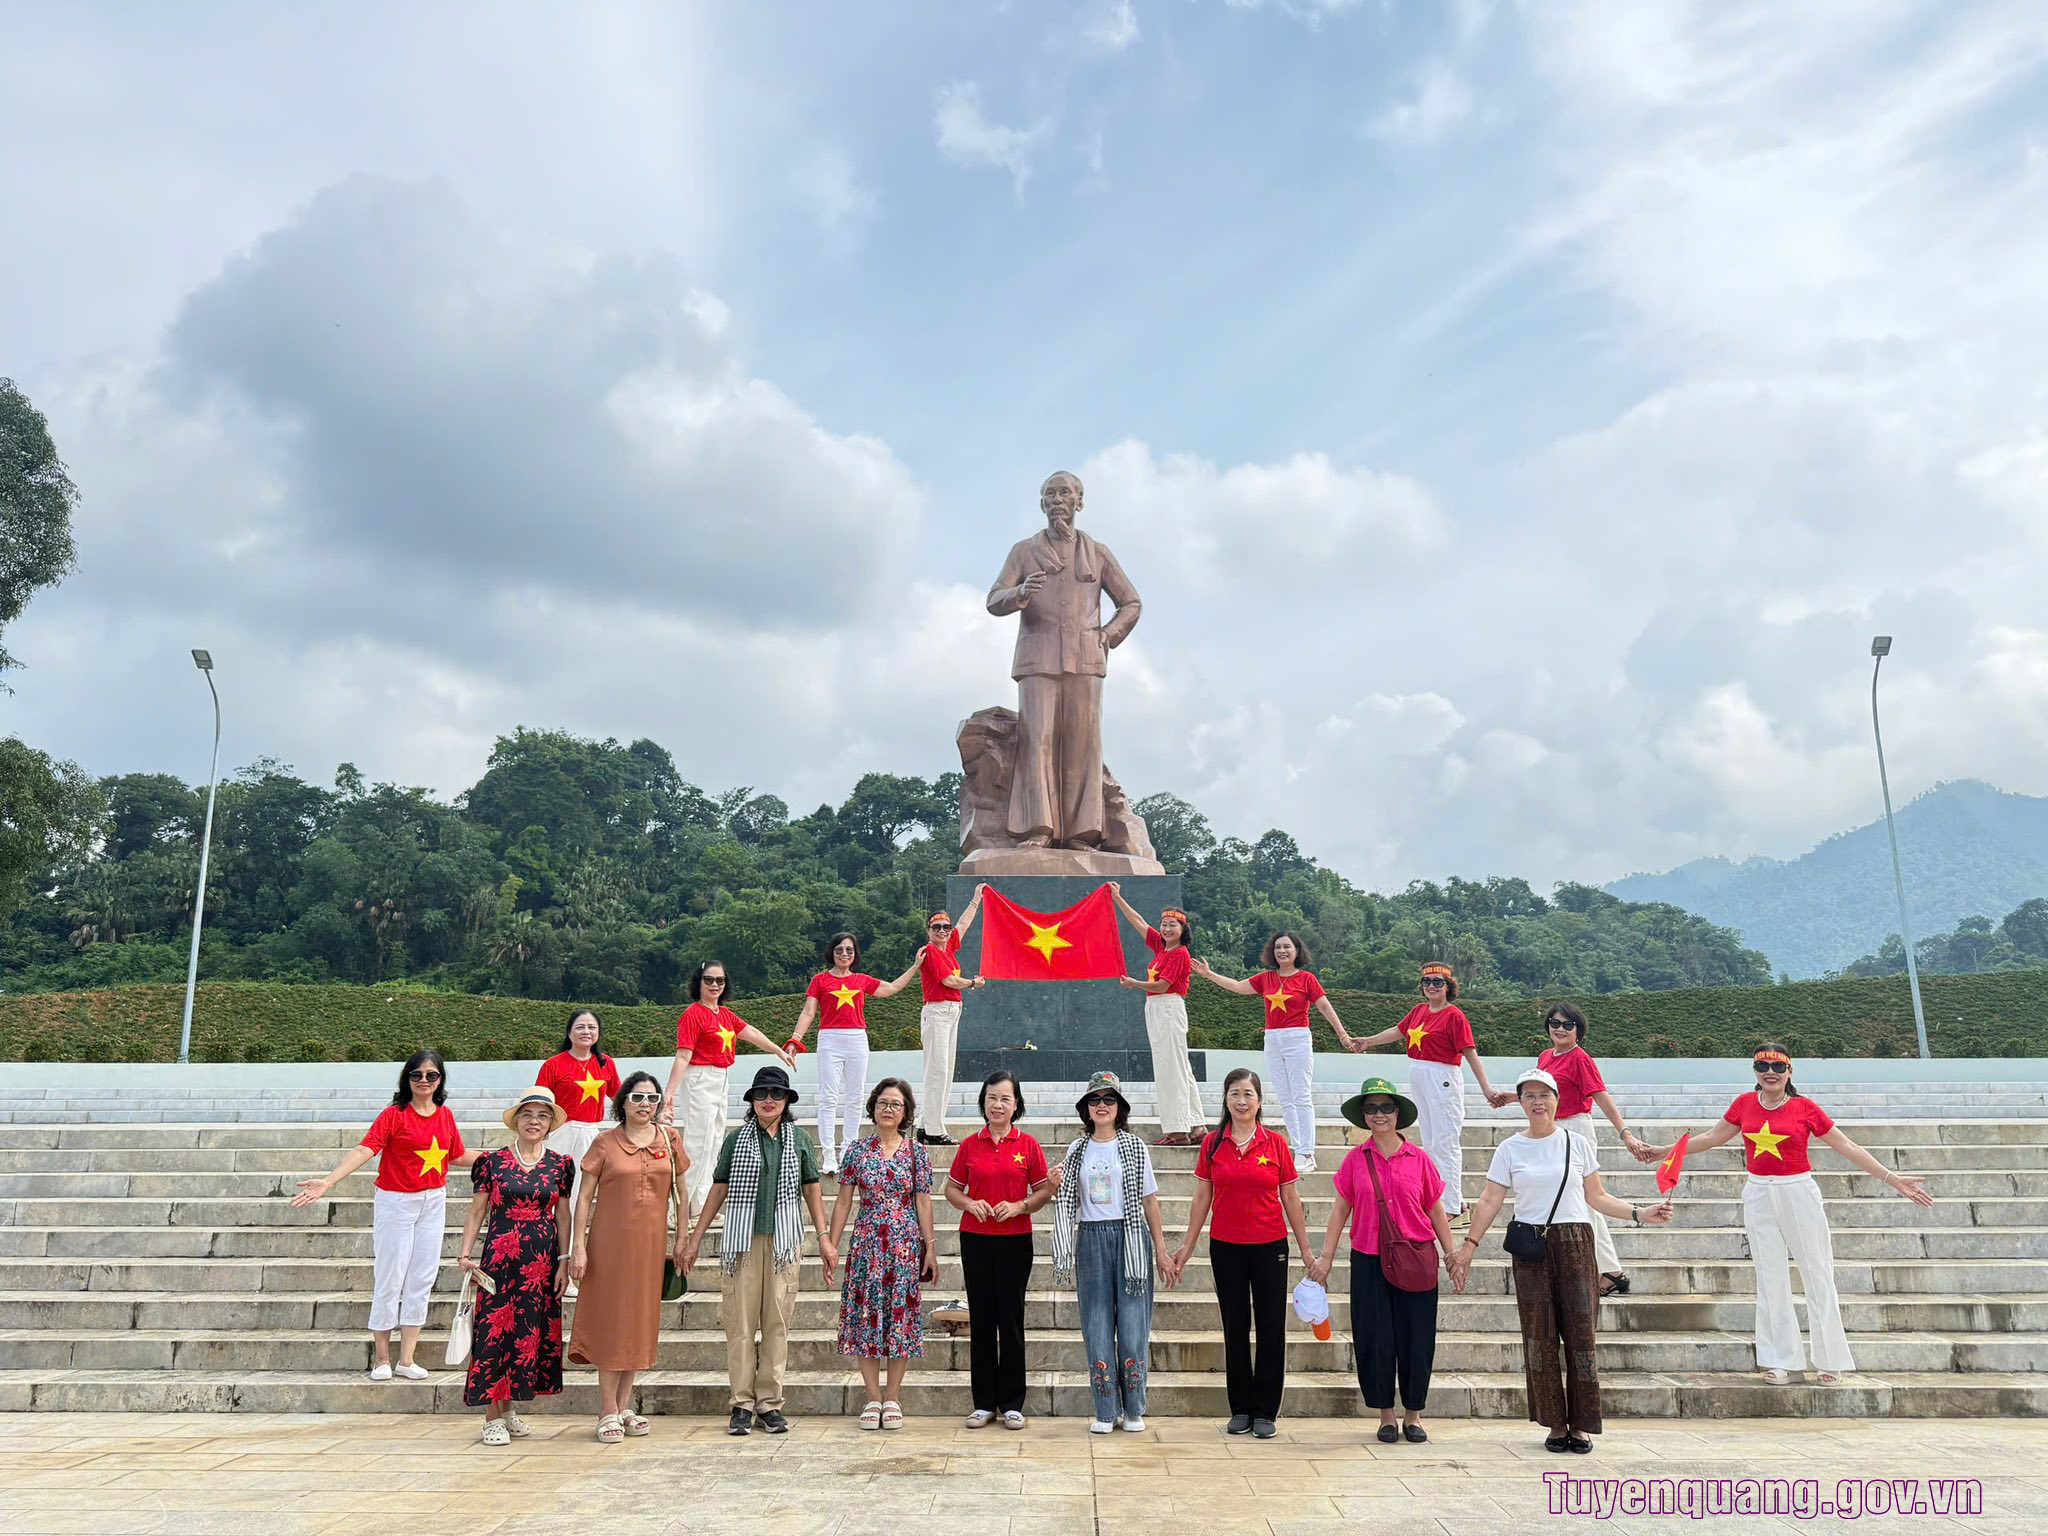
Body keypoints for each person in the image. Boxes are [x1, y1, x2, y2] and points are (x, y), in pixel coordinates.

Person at [1635, 1044, 1932, 1384]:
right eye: (1762, 1065)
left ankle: (1828, 1360)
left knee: (1817, 1272)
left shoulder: (1804, 1108)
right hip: (1759, 1192)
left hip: (1798, 1191)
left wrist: (1892, 1179)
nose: (1770, 1072)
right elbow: (1712, 1137)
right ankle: (1782, 1361)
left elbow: (1846, 1146)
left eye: (1777, 1067)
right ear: (1755, 1071)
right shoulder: (1744, 1104)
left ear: (1789, 1072)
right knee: (1770, 1276)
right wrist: (1665, 1152)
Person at [1453, 1068, 1673, 1453]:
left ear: (1557, 1100)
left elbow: (1597, 1197)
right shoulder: (1510, 1149)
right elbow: (1490, 1200)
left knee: (1581, 1335)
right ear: (1520, 1103)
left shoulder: (1576, 1143)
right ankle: (1555, 1422)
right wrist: (1469, 1246)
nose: (1538, 1102)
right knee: (1539, 1336)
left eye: (1545, 1095)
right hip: (1531, 1246)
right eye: (1530, 1096)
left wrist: (1640, 1212)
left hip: (1574, 1241)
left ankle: (1583, 1423)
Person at [292, 1049, 477, 1381]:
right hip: (396, 1201)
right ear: (407, 1079)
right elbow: (366, 1148)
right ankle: (381, 1358)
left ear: (440, 1080)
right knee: (391, 1277)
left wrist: (507, 1157)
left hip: (433, 1201)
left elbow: (457, 1155)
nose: (424, 1081)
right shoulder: (395, 1115)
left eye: (431, 1075)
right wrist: (329, 1181)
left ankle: (407, 1358)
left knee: (422, 1278)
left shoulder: (444, 1115)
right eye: (417, 1075)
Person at [983, 469, 1143, 849]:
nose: (1057, 500)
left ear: (1079, 501)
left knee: (1083, 744)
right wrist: (1019, 592)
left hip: (1086, 658)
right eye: (1050, 494)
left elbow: (1131, 603)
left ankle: (1082, 832)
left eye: (1064, 493)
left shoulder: (1098, 553)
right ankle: (1038, 828)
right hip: (1037, 657)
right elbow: (993, 599)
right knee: (1036, 740)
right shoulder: (1024, 551)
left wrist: (1108, 635)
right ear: (1041, 504)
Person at [679, 1064, 837, 1437]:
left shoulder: (798, 1139)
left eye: (776, 1094)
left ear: (786, 1101)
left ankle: (769, 1403)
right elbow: (718, 1189)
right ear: (751, 1100)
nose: (769, 1100)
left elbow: (812, 1189)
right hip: (741, 1242)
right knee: (741, 1325)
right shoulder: (736, 1139)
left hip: (784, 1242)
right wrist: (695, 1237)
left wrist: (824, 1237)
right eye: (762, 1094)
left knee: (777, 1324)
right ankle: (741, 1404)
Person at [1310, 1076, 1461, 1445]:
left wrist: (1452, 1253)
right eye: (1372, 1109)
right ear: (1364, 1116)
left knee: (1417, 1338)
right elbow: (1340, 1209)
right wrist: (1325, 1258)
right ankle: (1386, 1415)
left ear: (1398, 1113)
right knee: (1375, 1339)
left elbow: (1436, 1210)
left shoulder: (1419, 1158)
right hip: (1369, 1258)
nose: (1380, 1115)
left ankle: (1414, 1413)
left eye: (1387, 1107)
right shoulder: (1355, 1159)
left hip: (1416, 1257)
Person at [1170, 1068, 1316, 1438]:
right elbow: (1203, 1196)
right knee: (1234, 1326)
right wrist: (1186, 1247)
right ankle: (1240, 1408)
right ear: (1225, 1099)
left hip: (1269, 1247)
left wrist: (1307, 1251)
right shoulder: (1213, 1144)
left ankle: (1265, 1410)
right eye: (1234, 1093)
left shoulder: (1276, 1143)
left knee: (1270, 1327)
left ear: (1260, 1100)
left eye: (1248, 1094)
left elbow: (1291, 1198)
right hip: (1227, 1246)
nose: (1241, 1100)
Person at [1050, 1071, 1175, 1434]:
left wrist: (1162, 1251)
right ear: (1085, 1109)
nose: (1101, 1106)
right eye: (1095, 1100)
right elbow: (1068, 1199)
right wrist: (1054, 1185)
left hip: (1131, 1237)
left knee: (1134, 1323)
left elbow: (1150, 1201)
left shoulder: (1136, 1147)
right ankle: (1106, 1409)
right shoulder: (1077, 1150)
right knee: (1097, 1323)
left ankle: (1134, 1408)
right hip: (1092, 1238)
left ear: (1119, 1107)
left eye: (1108, 1100)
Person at [567, 1071, 683, 1444]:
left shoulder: (669, 1138)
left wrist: (683, 1238)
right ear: (623, 1102)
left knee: (639, 1322)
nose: (644, 1105)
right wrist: (579, 1246)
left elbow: (682, 1192)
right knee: (611, 1321)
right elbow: (583, 1197)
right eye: (637, 1098)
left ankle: (623, 1404)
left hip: (651, 1246)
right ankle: (606, 1408)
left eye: (651, 1098)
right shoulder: (605, 1142)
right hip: (609, 1245)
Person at [457, 1088, 574, 1444]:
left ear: (550, 1123)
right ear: (516, 1121)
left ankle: (508, 1410)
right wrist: (465, 1254)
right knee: (495, 1331)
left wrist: (564, 1261)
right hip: (499, 1259)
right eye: (527, 1115)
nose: (534, 1121)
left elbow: (564, 1215)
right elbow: (477, 1210)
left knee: (525, 1333)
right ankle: (491, 1415)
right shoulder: (491, 1163)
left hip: (541, 1262)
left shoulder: (560, 1164)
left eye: (541, 1115)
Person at [1356, 962, 1511, 1224]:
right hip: (1419, 1074)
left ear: (1448, 987)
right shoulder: (1419, 1011)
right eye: (1427, 982)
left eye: (1438, 982)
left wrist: (1486, 1088)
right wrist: (1368, 1041)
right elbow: (1398, 1031)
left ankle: (1452, 1205)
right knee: (1429, 1141)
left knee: (1445, 1141)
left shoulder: (1454, 1016)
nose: (1431, 987)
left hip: (1443, 1078)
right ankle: (1439, 1198)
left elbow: (1470, 1053)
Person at [1192, 933, 1360, 1172]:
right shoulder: (1267, 978)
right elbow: (1238, 987)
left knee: (1301, 1095)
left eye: (1287, 947)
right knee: (1286, 1098)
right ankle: (1297, 1149)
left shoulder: (1306, 979)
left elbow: (1323, 1005)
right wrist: (1209, 975)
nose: (1282, 951)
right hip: (1272, 1038)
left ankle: (1307, 1152)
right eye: (1278, 947)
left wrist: (1342, 1034)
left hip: (1298, 1037)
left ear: (1297, 951)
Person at [943, 1071, 1052, 1428]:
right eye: (992, 1098)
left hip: (1015, 1240)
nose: (998, 1105)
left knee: (1011, 1318)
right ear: (983, 1101)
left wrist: (1020, 1206)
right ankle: (984, 1401)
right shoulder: (969, 1145)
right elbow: (951, 1189)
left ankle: (1012, 1401)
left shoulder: (1028, 1145)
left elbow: (1042, 1191)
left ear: (1016, 1104)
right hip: (975, 1239)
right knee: (982, 1318)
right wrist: (970, 1203)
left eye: (1005, 1099)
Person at [829, 1078, 939, 1429]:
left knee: (900, 1317)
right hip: (867, 1243)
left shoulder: (916, 1152)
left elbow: (922, 1200)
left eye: (896, 1104)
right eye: (882, 1102)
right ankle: (872, 1397)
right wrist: (830, 1243)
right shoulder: (858, 1150)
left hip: (905, 1244)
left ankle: (892, 1397)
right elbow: (844, 1200)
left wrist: (930, 1248)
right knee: (866, 1317)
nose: (888, 1109)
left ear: (906, 1112)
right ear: (873, 1107)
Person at [1537, 1002, 1654, 1297]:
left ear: (1578, 1030)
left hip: (1575, 1130)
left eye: (1567, 1024)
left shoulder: (1580, 1058)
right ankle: (1609, 1270)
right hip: (1551, 1131)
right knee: (1582, 1201)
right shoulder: (1545, 1057)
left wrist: (1625, 1133)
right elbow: (1542, 1095)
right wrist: (1511, 1096)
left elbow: (1601, 1096)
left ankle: (1608, 1271)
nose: (1559, 1028)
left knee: (1587, 1199)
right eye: (1554, 1022)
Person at [662, 961, 793, 1218]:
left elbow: (750, 1032)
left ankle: (699, 1205)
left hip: (721, 1077)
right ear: (698, 982)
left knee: (713, 1144)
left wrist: (777, 1049)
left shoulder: (724, 1014)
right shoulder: (693, 1013)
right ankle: (677, 1210)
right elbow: (682, 1055)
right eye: (709, 980)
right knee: (697, 1144)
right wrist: (669, 1093)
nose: (714, 985)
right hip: (699, 1077)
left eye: (719, 981)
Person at [787, 933, 921, 1174]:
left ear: (855, 953)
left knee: (854, 1097)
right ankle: (828, 1154)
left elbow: (891, 989)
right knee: (828, 1097)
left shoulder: (861, 979)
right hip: (830, 1039)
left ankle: (848, 1152)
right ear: (832, 952)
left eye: (849, 950)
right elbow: (808, 1013)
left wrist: (915, 966)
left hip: (857, 1038)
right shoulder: (819, 980)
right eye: (839, 950)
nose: (844, 954)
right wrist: (796, 1038)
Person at [1109, 882, 1202, 1147]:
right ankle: (1196, 1125)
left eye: (1173, 924)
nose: (1166, 928)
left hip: (1168, 1006)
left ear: (1183, 930)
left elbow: (1163, 986)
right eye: (1164, 923)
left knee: (1169, 1068)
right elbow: (1136, 921)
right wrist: (1117, 898)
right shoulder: (1162, 948)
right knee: (1180, 1068)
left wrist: (1134, 983)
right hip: (1158, 1007)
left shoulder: (1180, 954)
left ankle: (1177, 1130)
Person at [537, 1009, 621, 1295]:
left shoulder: (605, 1063)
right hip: (562, 1134)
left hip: (592, 1135)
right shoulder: (554, 1064)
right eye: (580, 1026)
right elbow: (541, 1103)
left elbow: (619, 1097)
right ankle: (552, 1264)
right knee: (559, 1199)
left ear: (598, 1033)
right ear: (570, 1031)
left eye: (592, 1027)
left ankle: (575, 1267)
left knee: (582, 1201)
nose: (586, 1031)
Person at [913, 891, 988, 1146]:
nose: (943, 931)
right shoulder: (931, 952)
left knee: (943, 1071)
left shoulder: (948, 948)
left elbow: (964, 924)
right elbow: (948, 980)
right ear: (929, 930)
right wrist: (972, 983)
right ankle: (934, 1129)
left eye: (945, 926)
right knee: (938, 1070)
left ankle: (926, 1124)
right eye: (937, 927)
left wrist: (976, 897)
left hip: (951, 1012)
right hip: (937, 1011)